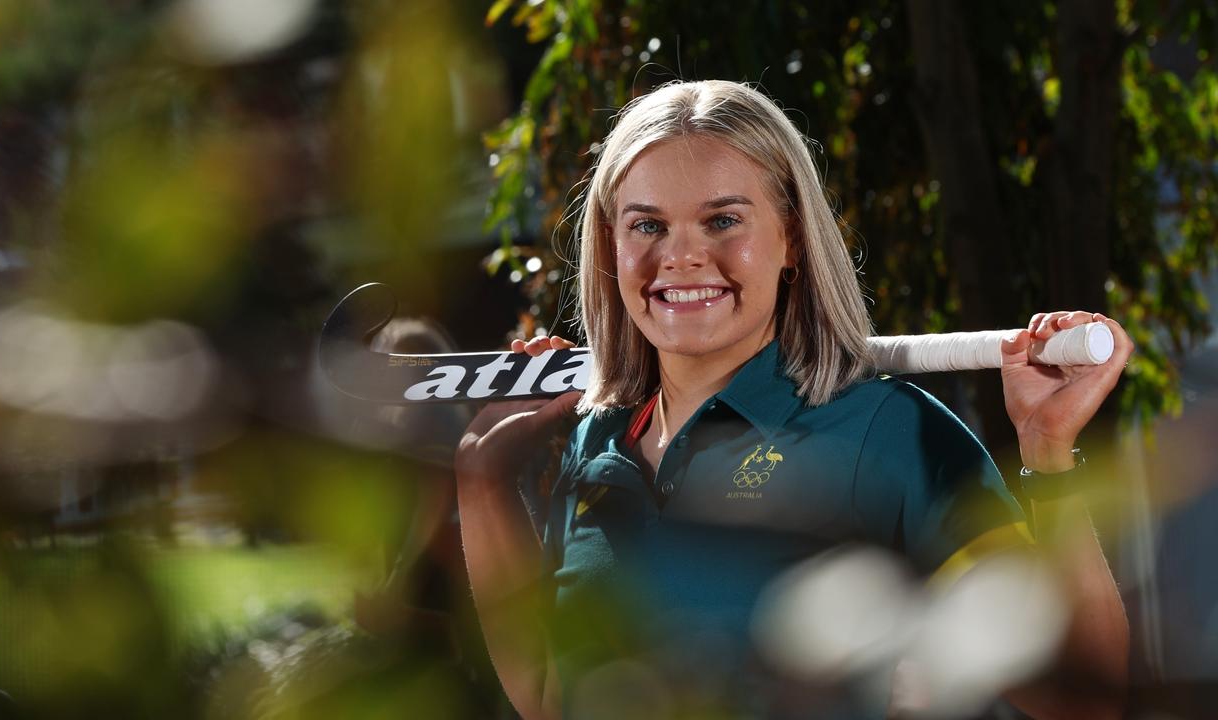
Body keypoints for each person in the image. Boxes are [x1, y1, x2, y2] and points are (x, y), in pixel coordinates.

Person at [456, 80, 1130, 719]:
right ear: (610, 243)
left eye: (722, 220)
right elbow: (550, 693)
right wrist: (484, 482)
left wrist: (1047, 450)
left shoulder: (891, 432)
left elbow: (1077, 702)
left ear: (794, 241)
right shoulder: (594, 443)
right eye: (647, 226)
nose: (681, 256)